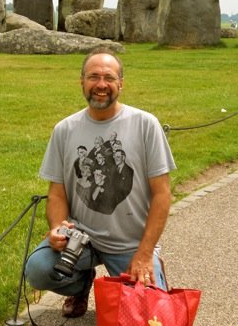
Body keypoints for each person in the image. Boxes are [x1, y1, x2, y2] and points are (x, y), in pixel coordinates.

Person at [24, 46, 177, 318]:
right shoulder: (64, 130)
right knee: (38, 269)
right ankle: (80, 285)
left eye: (109, 77)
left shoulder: (145, 124)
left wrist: (144, 253)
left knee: (149, 317)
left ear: (121, 84)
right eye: (93, 77)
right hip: (81, 239)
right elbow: (57, 193)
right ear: (82, 82)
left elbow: (162, 195)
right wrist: (58, 227)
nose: (101, 85)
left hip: (131, 243)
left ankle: (151, 264)